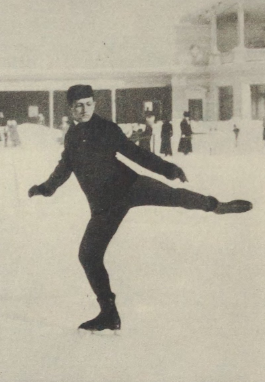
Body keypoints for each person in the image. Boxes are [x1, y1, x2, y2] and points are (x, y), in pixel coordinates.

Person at [28, 84, 252, 333]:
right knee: (88, 256)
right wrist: (46, 188)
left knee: (173, 196)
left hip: (130, 185)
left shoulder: (106, 128)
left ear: (94, 104)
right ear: (70, 107)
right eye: (79, 105)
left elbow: (135, 153)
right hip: (104, 206)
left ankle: (216, 205)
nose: (85, 109)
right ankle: (108, 314)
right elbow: (64, 166)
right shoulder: (71, 136)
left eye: (89, 103)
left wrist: (168, 168)